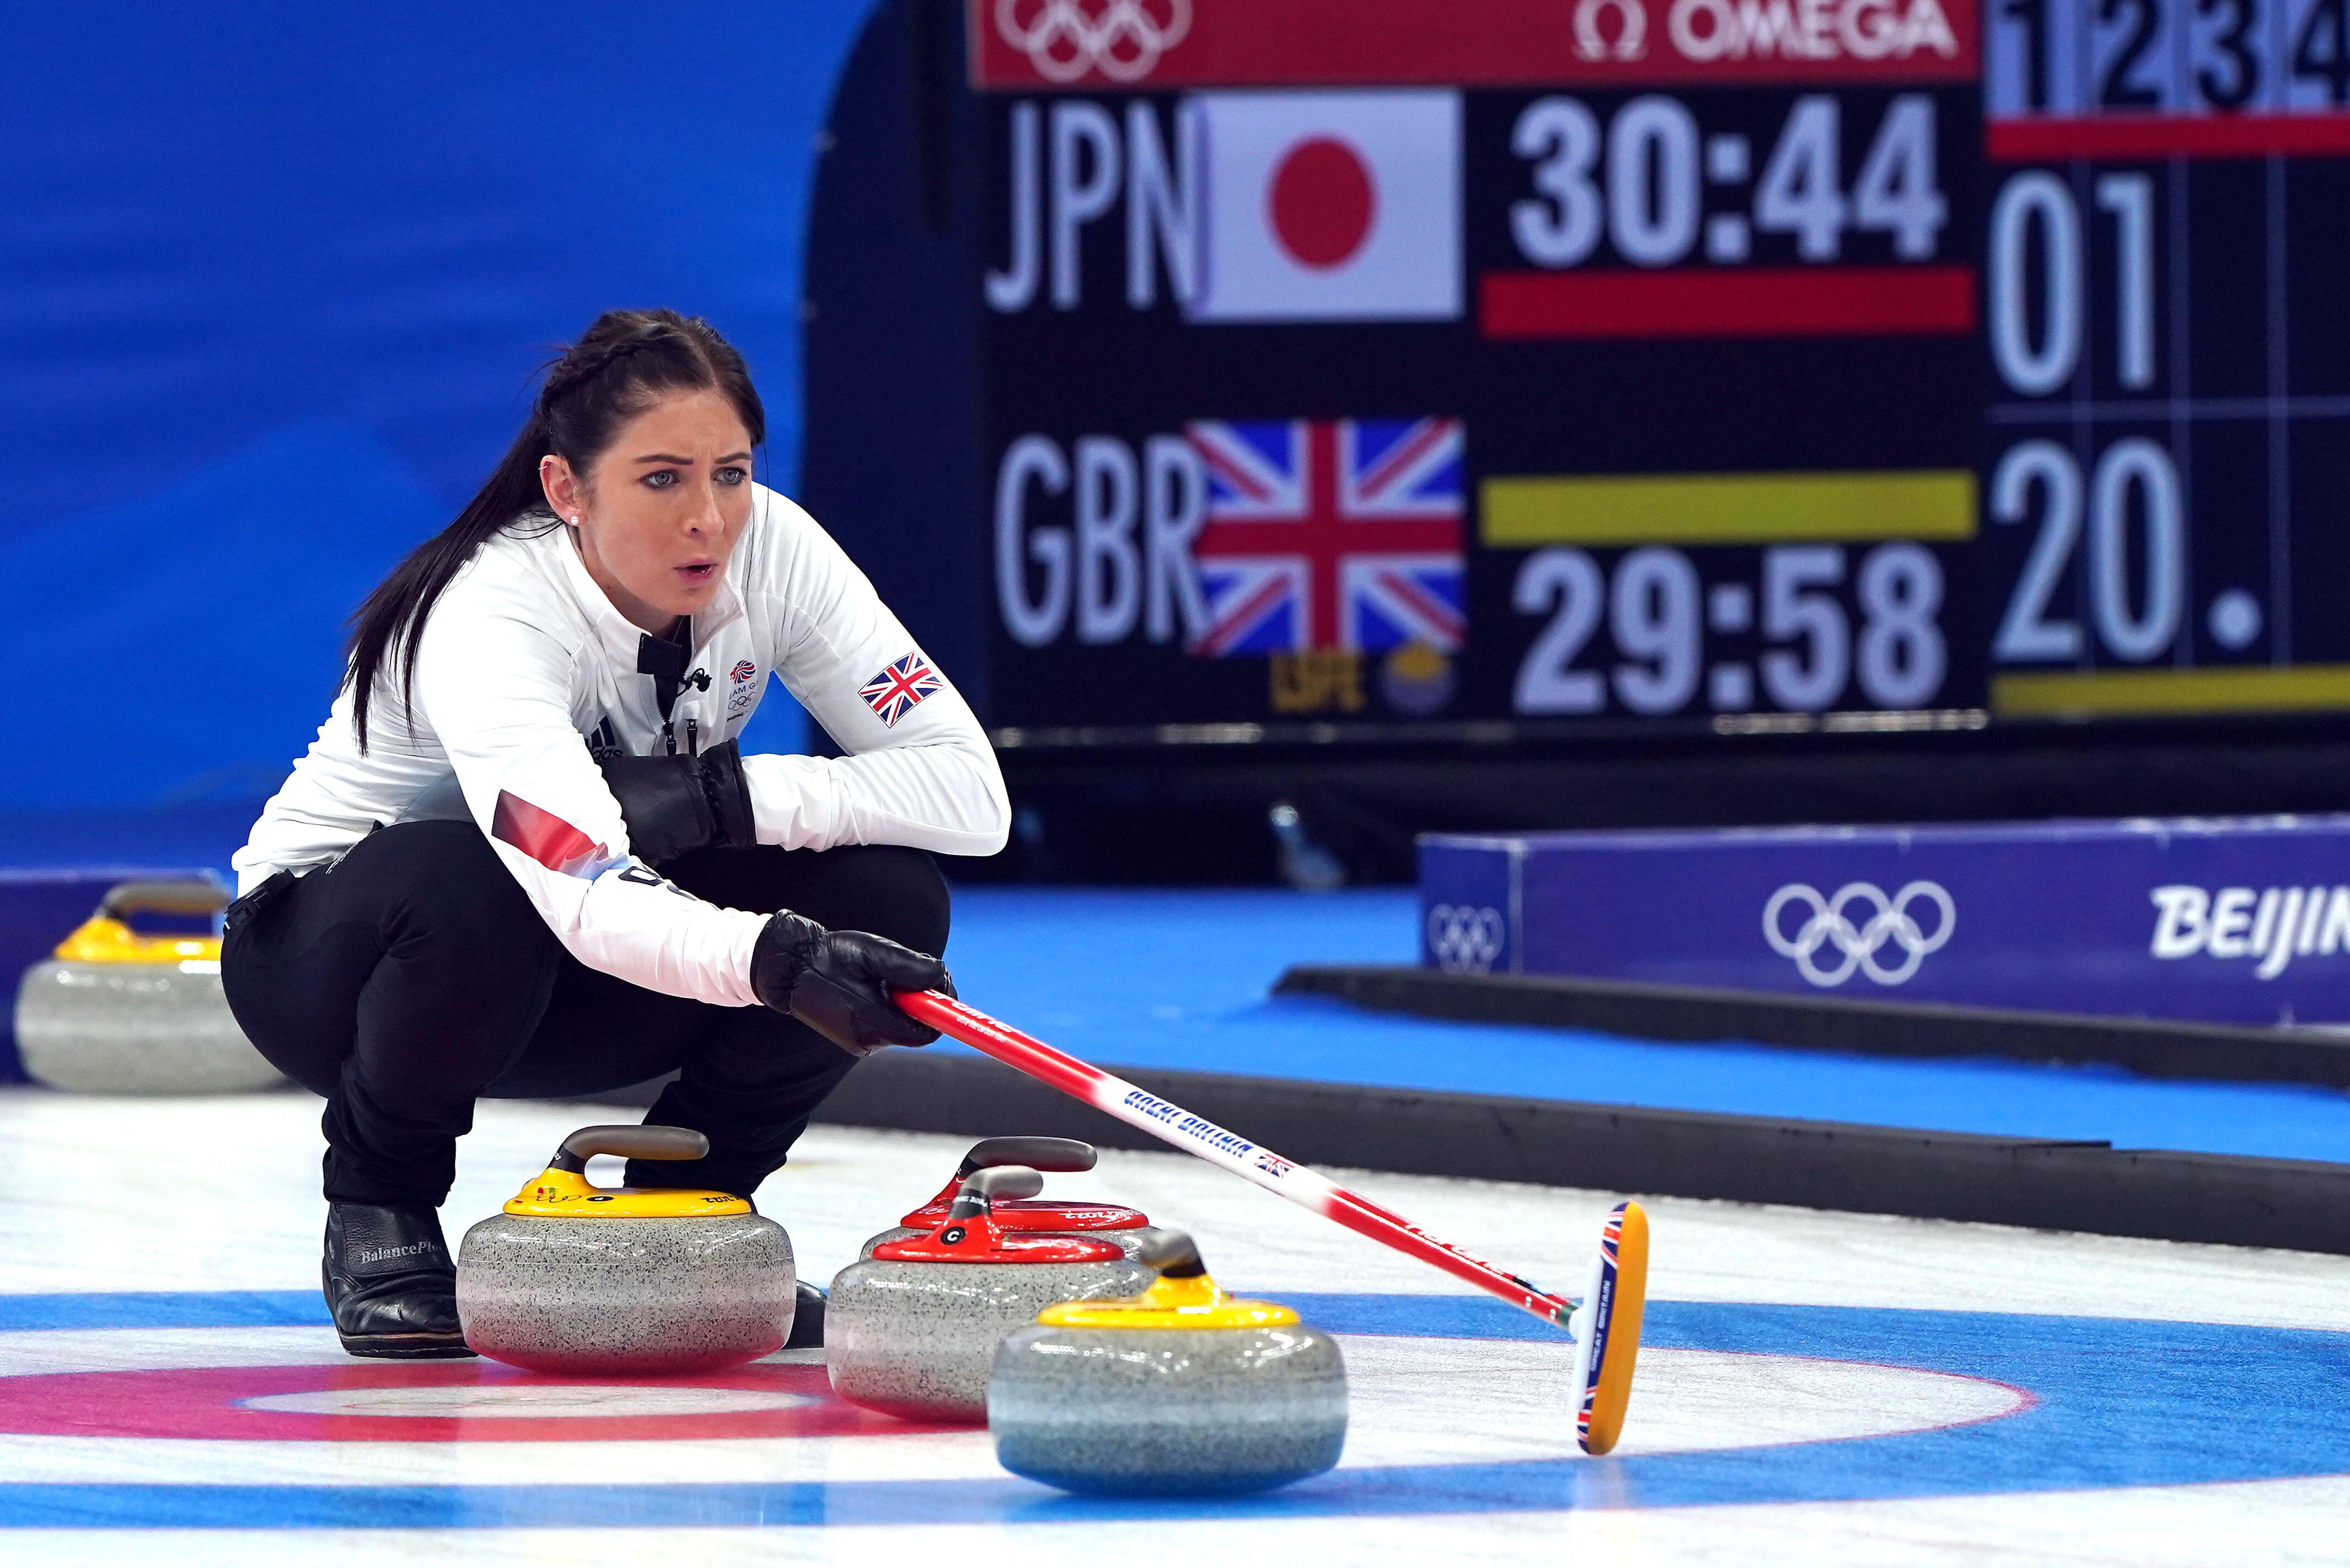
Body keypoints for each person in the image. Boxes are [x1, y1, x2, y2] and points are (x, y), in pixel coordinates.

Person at [222, 309, 1007, 1359]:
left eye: (729, 474)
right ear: (565, 490)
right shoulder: (493, 611)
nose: (709, 521)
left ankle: (681, 1215)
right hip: (338, 972)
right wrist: (777, 958)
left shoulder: (780, 549)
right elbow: (576, 882)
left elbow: (970, 797)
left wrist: (726, 799)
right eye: (661, 479)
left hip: (571, 968)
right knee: (470, 873)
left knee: (889, 897)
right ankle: (381, 1209)